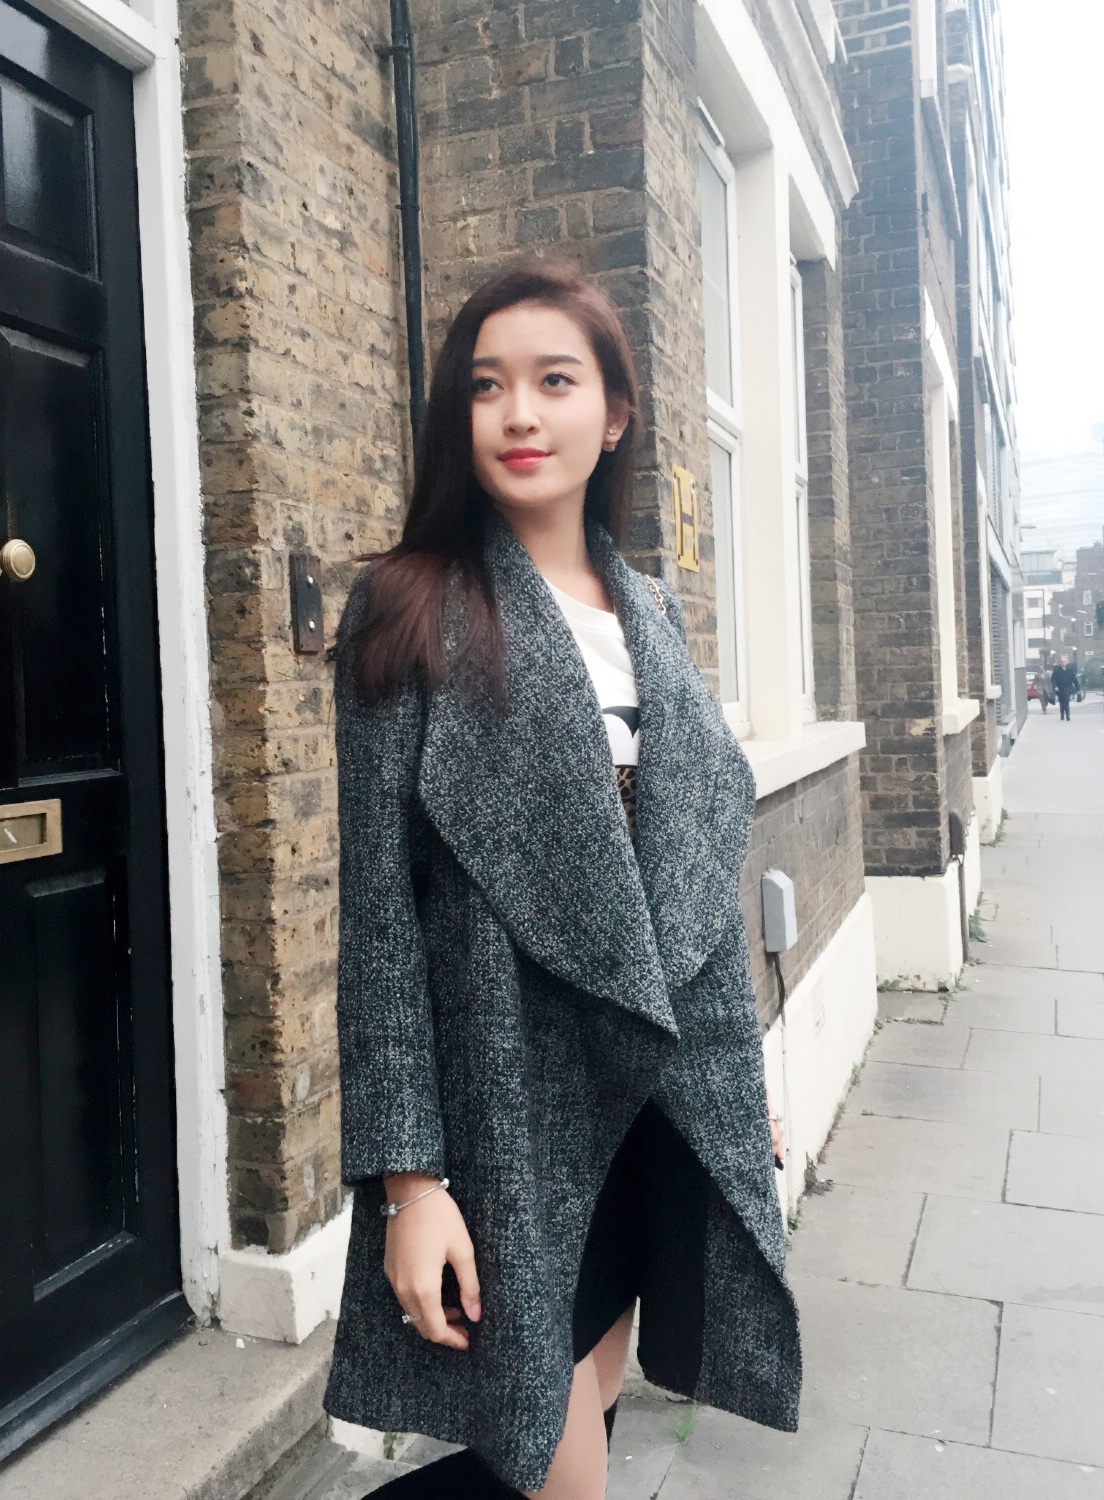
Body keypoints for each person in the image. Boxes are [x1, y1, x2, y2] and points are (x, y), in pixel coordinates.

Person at [322, 259, 799, 1499]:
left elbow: (689, 883)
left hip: (651, 1104)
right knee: (556, 1473)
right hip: (510, 1121)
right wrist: (410, 1186)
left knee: (582, 1419)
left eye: (554, 381)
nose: (519, 414)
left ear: (615, 412)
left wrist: (733, 1084)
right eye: (487, 387)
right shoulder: (407, 608)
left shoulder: (656, 614)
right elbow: (379, 924)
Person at [1051, 654, 1080, 722]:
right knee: (1061, 702)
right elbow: (1053, 679)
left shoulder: (1070, 670)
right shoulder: (1057, 670)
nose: (1063, 663)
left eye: (1065, 662)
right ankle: (1062, 714)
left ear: (1067, 662)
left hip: (1068, 688)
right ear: (1060, 662)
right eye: (1062, 662)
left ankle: (1067, 716)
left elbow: (1074, 679)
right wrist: (1055, 686)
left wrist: (1077, 687)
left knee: (1066, 702)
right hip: (1060, 688)